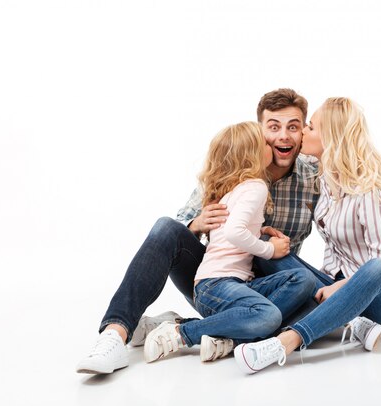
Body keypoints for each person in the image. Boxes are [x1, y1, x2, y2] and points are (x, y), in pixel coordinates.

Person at [76, 88, 322, 374]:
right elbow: (182, 225)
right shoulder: (234, 168)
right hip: (217, 284)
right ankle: (114, 336)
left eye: (293, 127)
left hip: (272, 291)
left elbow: (338, 232)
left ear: (304, 131)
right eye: (274, 127)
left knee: (316, 300)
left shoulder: (314, 176)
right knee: (167, 228)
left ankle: (207, 333)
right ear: (260, 131)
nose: (284, 136)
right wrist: (197, 225)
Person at [234, 97, 381, 374]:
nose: (301, 132)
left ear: (332, 138)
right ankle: (351, 322)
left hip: (380, 298)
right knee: (270, 251)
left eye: (311, 128)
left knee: (376, 268)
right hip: (336, 285)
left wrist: (337, 288)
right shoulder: (325, 182)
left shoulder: (368, 191)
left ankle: (286, 341)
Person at [138, 121, 314, 364]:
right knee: (269, 315)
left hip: (230, 286)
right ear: (251, 154)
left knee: (303, 278)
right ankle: (183, 333)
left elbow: (232, 231)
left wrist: (259, 230)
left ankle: (228, 337)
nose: (271, 145)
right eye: (264, 143)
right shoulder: (256, 186)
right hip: (217, 285)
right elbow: (233, 232)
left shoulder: (237, 189)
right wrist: (269, 249)